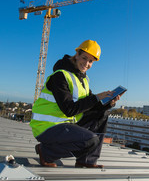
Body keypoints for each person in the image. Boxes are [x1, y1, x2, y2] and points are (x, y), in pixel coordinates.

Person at [30, 40, 121, 168]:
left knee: (102, 114)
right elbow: (69, 109)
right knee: (90, 140)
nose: (87, 63)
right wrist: (96, 97)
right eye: (84, 58)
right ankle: (45, 152)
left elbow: (90, 105)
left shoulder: (83, 78)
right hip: (47, 127)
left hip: (65, 124)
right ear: (77, 55)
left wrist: (108, 103)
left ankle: (86, 160)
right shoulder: (60, 76)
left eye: (91, 61)